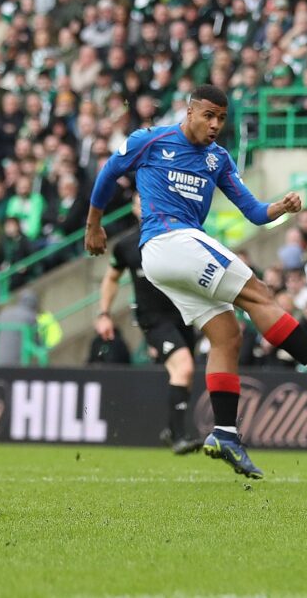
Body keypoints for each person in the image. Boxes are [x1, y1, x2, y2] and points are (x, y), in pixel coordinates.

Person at [85, 85, 307, 480]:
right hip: (169, 240)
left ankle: (224, 433)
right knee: (260, 293)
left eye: (221, 118)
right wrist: (94, 224)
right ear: (189, 112)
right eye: (208, 115)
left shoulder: (217, 159)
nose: (215, 125)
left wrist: (280, 207)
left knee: (227, 336)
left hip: (170, 257)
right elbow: (109, 172)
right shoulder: (150, 140)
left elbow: (254, 212)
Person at [95, 191, 200, 455]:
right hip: (152, 318)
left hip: (182, 314)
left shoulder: (177, 238)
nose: (145, 206)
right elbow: (111, 278)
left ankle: (172, 430)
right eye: (139, 202)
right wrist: (104, 314)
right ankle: (179, 437)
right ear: (133, 209)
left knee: (185, 375)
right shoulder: (127, 245)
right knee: (184, 367)